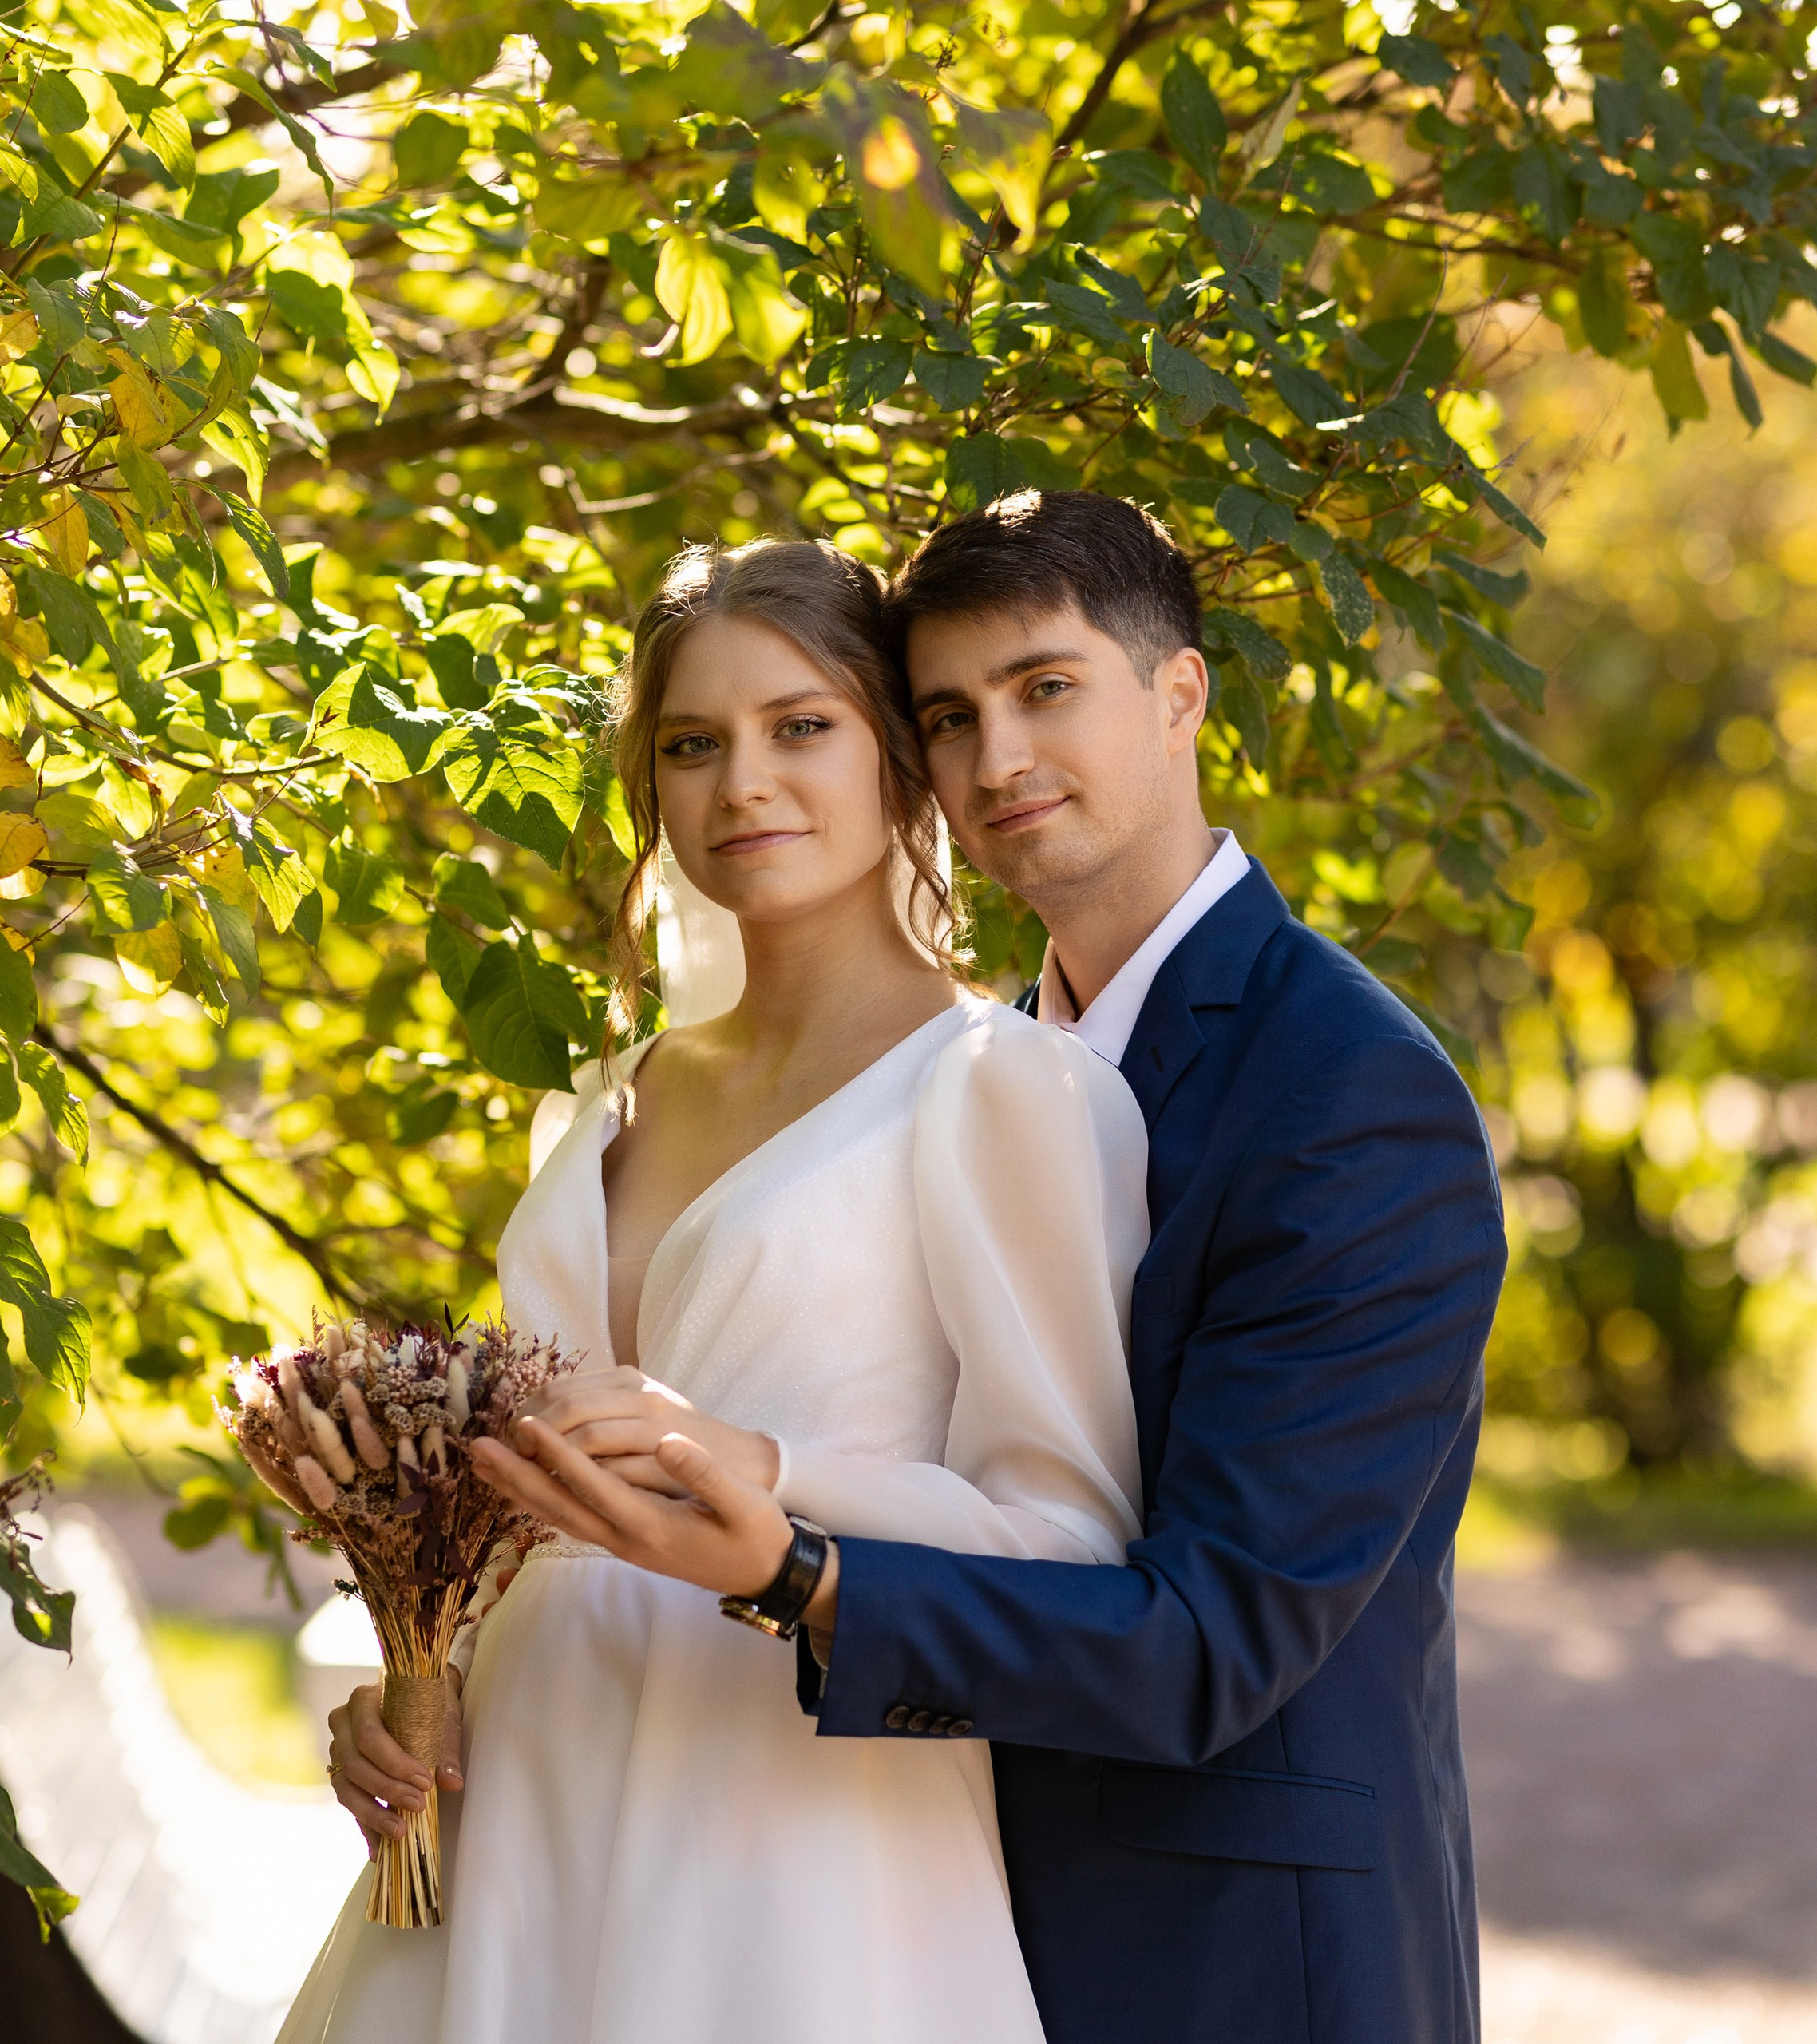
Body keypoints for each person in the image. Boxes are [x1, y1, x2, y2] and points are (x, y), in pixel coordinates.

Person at [494, 491, 1507, 2044]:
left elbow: (1210, 1640)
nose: (997, 760)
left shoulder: (1345, 1093)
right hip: (884, 1891)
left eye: (1046, 689)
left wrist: (793, 1563)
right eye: (950, 716)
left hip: (1224, 1957)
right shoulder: (978, 1068)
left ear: (1178, 694)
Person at [289, 535, 1150, 2044]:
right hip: (519, 1804)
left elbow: (1075, 1545)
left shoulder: (1003, 1091)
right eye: (693, 744)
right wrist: (414, 1672)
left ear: (898, 761)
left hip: (799, 1829)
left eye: (799, 726)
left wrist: (771, 1477)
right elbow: (531, 1496)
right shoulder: (605, 1100)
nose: (743, 782)